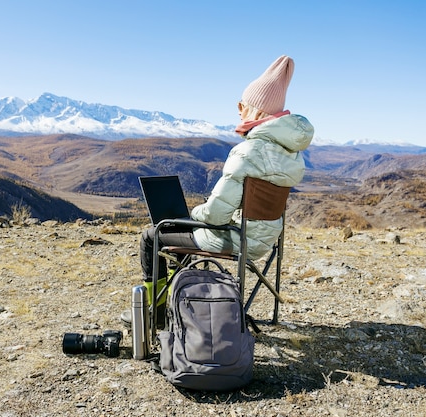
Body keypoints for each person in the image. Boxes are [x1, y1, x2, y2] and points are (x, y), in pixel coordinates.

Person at [125, 55, 314, 325]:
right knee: (186, 234)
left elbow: (214, 216)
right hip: (265, 238)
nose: (239, 110)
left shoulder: (248, 151)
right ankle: (185, 302)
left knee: (152, 235)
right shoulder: (291, 154)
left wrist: (194, 212)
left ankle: (155, 313)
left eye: (243, 105)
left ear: (257, 111)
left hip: (237, 238)